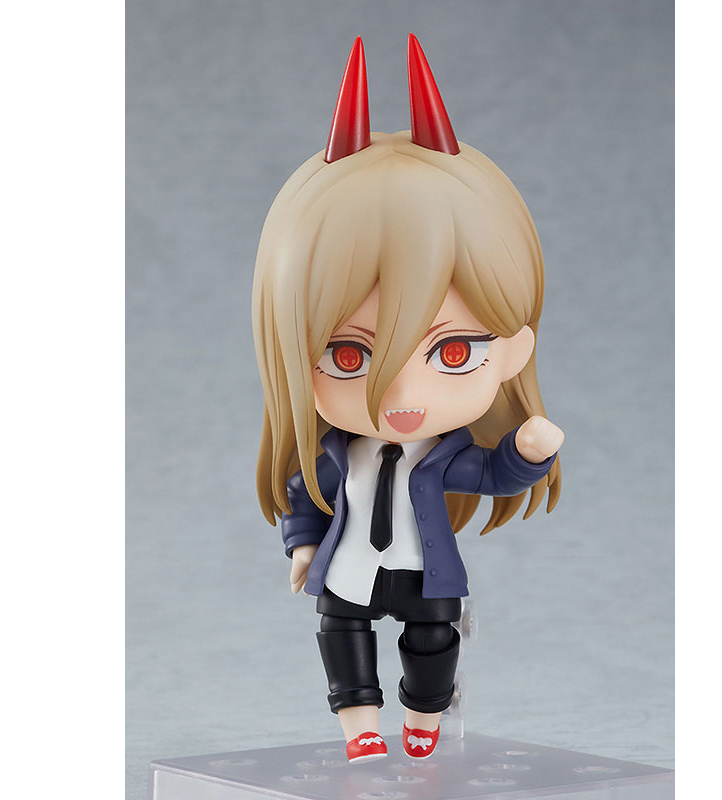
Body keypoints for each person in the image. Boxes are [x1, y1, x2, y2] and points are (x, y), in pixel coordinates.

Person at [252, 34, 563, 764]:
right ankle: (361, 723)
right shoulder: (338, 452)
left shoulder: (445, 455)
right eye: (348, 355)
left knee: (432, 640)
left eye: (452, 353)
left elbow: (491, 475)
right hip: (349, 569)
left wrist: (526, 454)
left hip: (426, 572)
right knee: (341, 634)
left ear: (511, 349)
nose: (398, 393)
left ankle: (422, 714)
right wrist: (302, 545)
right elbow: (305, 490)